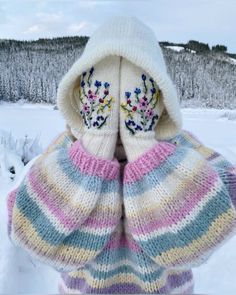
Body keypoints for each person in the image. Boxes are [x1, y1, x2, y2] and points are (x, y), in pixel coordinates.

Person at [7, 16, 236, 294]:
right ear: (83, 95)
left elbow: (224, 208)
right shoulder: (67, 149)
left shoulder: (179, 146)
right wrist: (95, 144)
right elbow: (25, 226)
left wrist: (142, 145)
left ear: (159, 97)